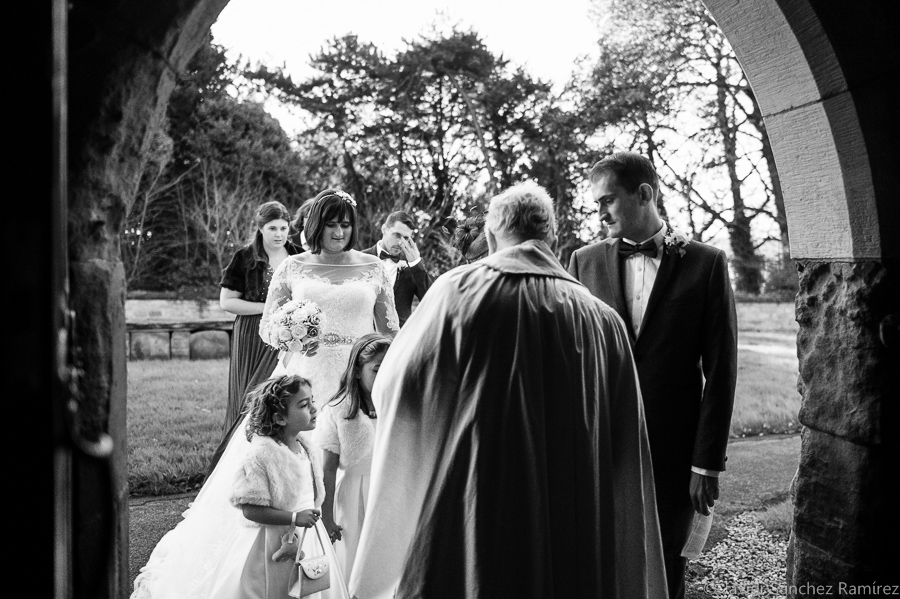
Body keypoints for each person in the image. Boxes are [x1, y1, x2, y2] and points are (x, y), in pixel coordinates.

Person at [349, 182, 667, 599]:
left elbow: (396, 384)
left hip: (479, 495)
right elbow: (627, 438)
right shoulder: (604, 320)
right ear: (551, 237)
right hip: (574, 504)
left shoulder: (455, 291)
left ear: (494, 235)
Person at [567, 151, 737, 599]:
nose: (600, 213)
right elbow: (569, 357)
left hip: (676, 452)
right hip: (601, 445)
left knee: (667, 567)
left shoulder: (707, 263)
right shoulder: (583, 262)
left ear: (644, 194)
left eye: (608, 201)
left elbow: (721, 369)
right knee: (602, 560)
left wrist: (706, 462)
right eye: (596, 205)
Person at [131, 375, 350, 599]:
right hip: (271, 542)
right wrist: (295, 518)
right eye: (304, 405)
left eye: (312, 401)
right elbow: (250, 509)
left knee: (309, 584)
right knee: (272, 588)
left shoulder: (306, 446)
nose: (314, 408)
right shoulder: (260, 456)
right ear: (279, 418)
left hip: (307, 534)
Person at [313, 333, 392, 585]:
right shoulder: (338, 410)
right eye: (377, 369)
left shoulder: (398, 404)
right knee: (355, 552)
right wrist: (326, 517)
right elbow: (328, 469)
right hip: (355, 494)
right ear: (358, 371)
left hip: (391, 489)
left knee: (388, 552)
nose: (385, 376)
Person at [219, 201, 302, 433]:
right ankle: (242, 441)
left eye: (284, 228)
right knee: (252, 391)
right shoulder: (244, 257)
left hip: (291, 334)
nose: (279, 234)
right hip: (252, 334)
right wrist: (267, 308)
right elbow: (227, 302)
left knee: (284, 391)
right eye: (273, 228)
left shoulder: (299, 256)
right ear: (261, 229)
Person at [362, 211, 431, 327]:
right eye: (397, 235)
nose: (400, 242)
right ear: (384, 229)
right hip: (366, 339)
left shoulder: (412, 266)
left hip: (400, 340)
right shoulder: (362, 259)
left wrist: (416, 264)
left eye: (405, 238)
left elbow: (431, 299)